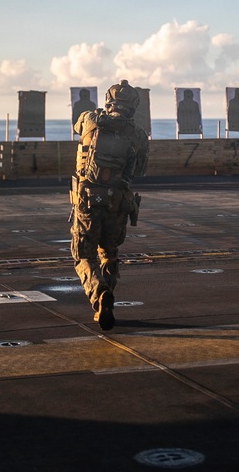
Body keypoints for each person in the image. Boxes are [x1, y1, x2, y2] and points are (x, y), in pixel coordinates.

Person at [70, 80, 149, 331]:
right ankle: (107, 302)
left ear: (108, 101)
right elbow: (141, 170)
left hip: (87, 199)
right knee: (109, 253)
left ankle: (99, 294)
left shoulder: (90, 119)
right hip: (118, 202)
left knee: (84, 254)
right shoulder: (137, 133)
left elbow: (76, 126)